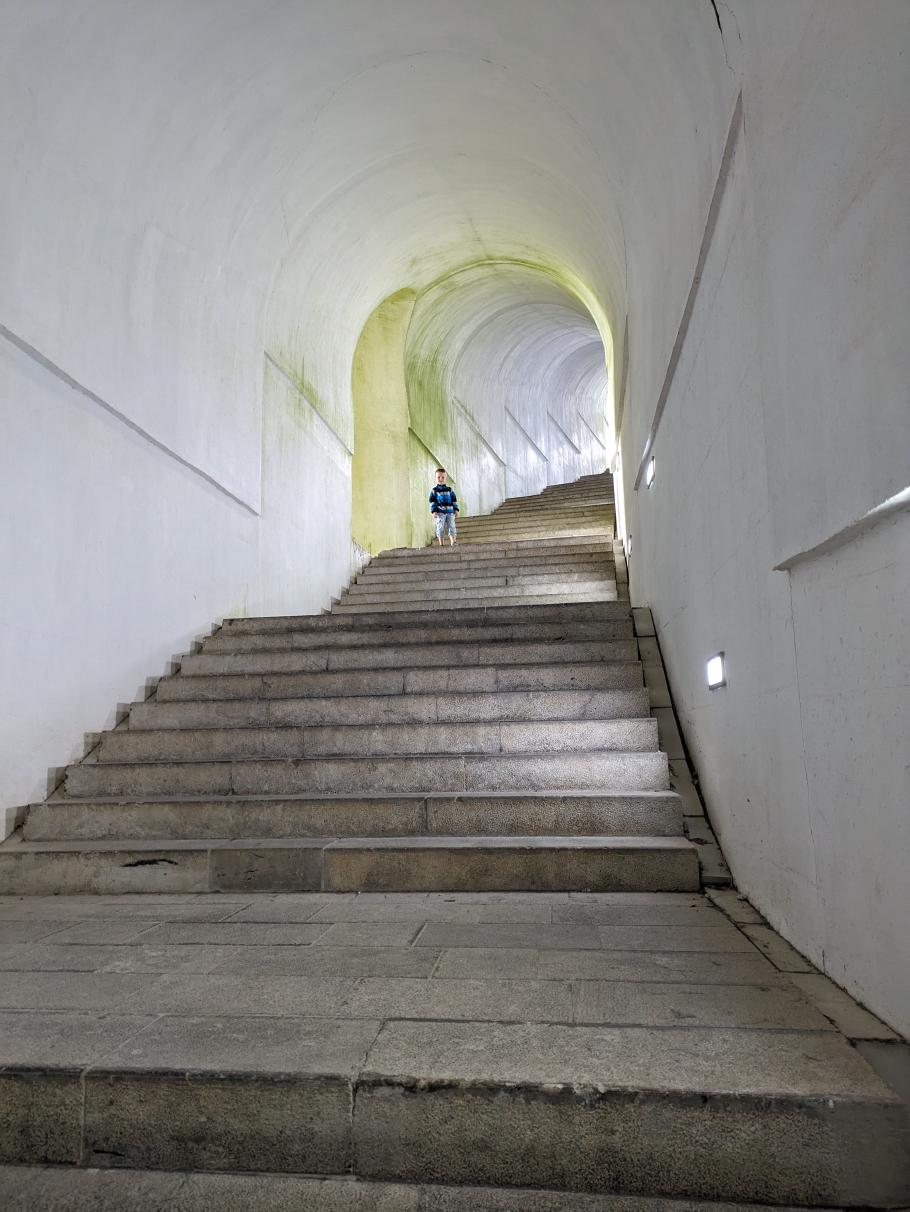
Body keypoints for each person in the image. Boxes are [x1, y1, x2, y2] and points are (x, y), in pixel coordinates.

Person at [429, 467, 459, 546]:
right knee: (440, 527)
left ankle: (453, 541)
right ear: (435, 478)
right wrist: (434, 511)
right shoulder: (434, 490)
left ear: (446, 478)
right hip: (440, 512)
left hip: (450, 512)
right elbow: (432, 502)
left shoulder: (449, 490)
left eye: (443, 477)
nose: (440, 479)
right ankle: (441, 544)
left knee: (452, 526)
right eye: (438, 477)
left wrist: (456, 509)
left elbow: (454, 500)